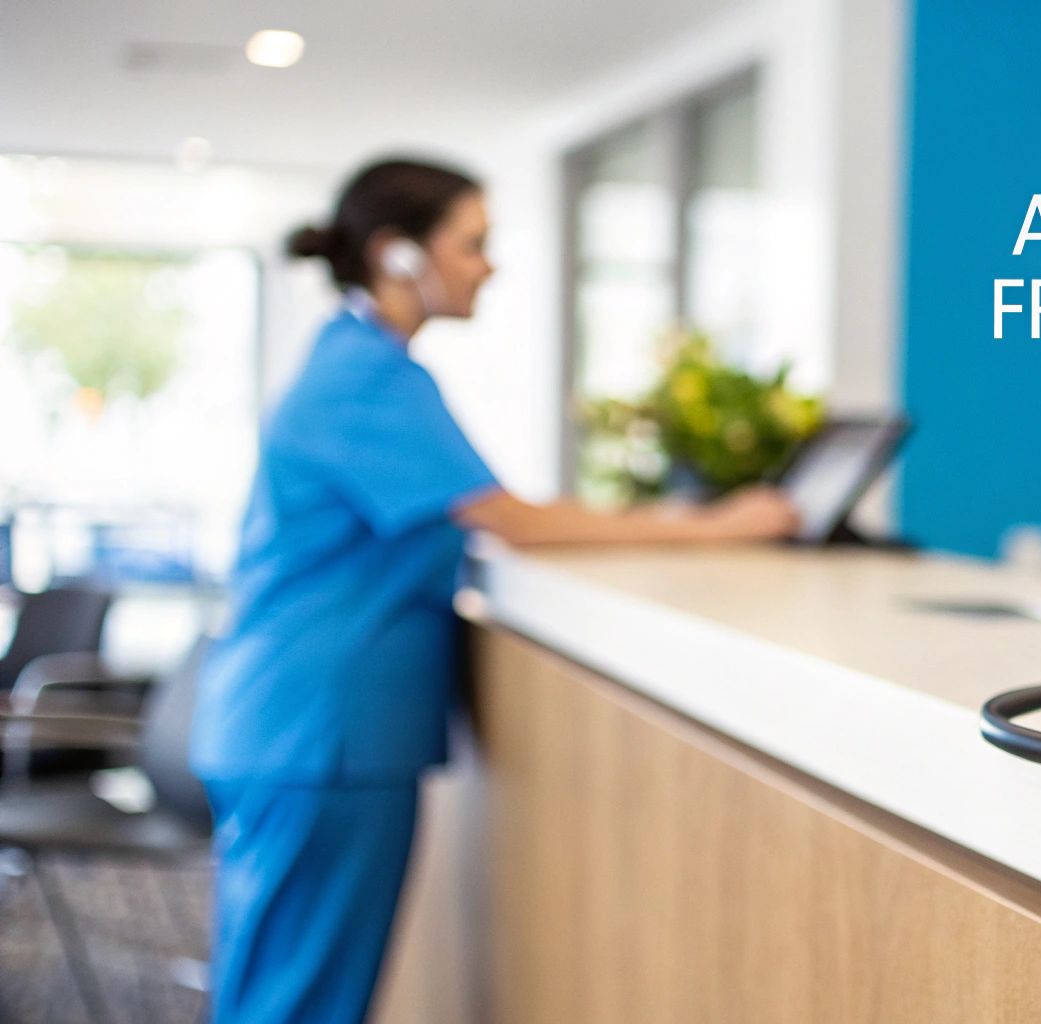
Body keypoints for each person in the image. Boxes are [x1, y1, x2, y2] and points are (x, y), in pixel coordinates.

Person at [190, 157, 798, 1023]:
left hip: (296, 726)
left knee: (278, 990)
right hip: (319, 733)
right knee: (298, 1002)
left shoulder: (355, 359)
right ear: (399, 255)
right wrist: (716, 526)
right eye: (473, 244)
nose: (489, 266)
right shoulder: (367, 378)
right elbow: (509, 519)